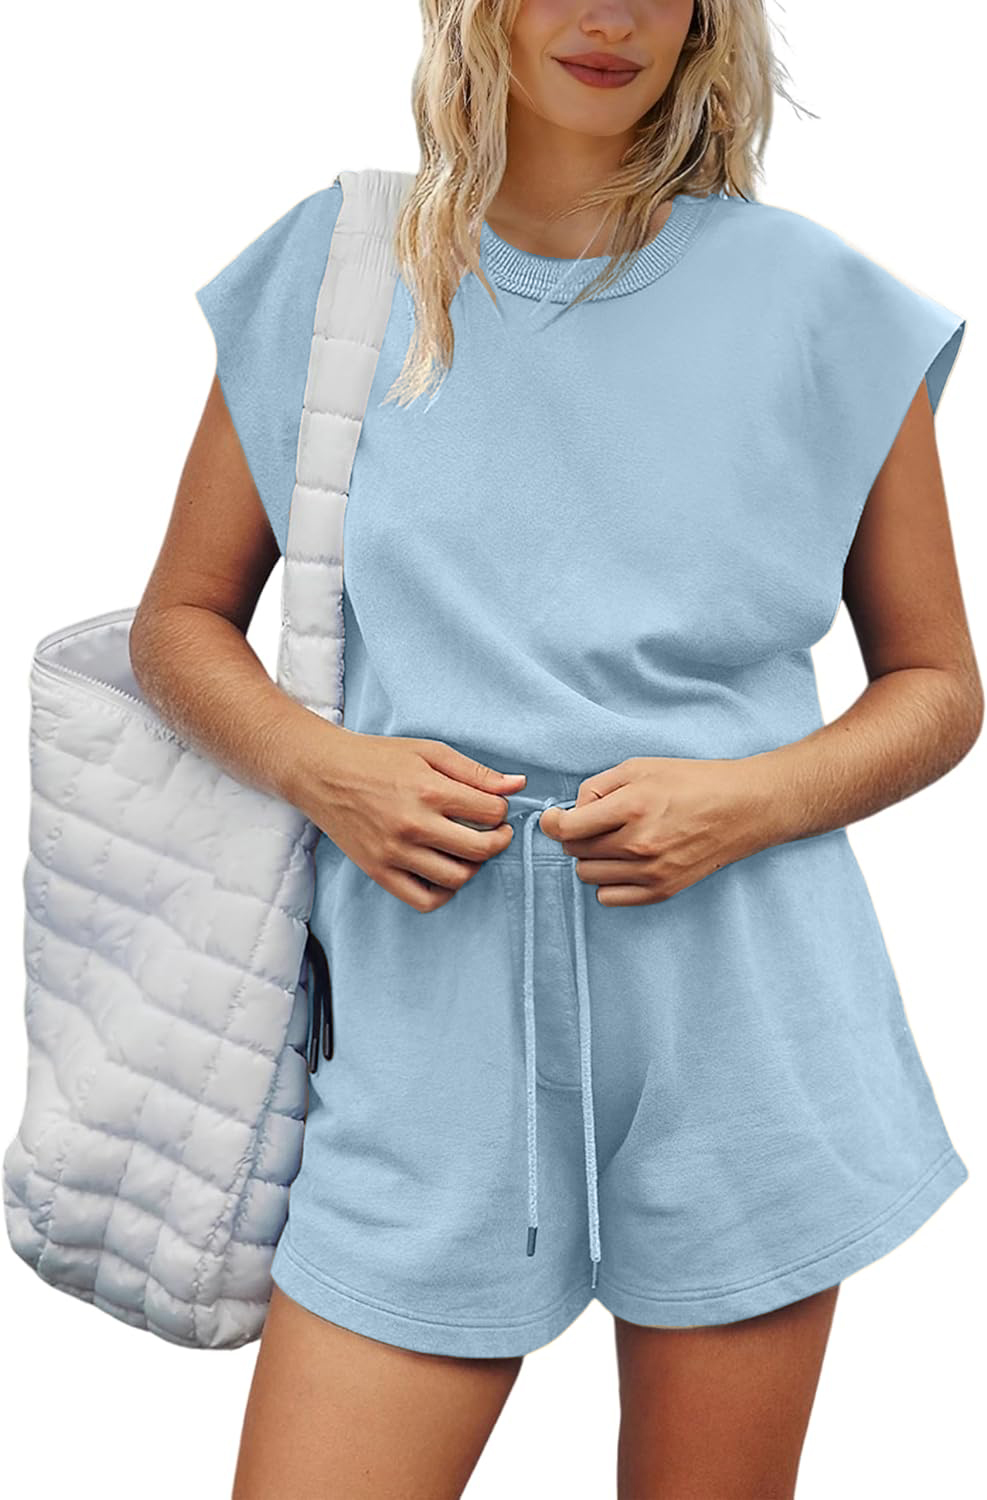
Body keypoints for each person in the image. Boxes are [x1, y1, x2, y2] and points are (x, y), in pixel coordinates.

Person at [130, 2, 979, 1496]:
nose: (610, 17)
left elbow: (937, 683)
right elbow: (180, 623)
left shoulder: (822, 305)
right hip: (421, 1031)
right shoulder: (342, 270)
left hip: (743, 1020)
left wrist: (752, 799)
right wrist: (328, 769)